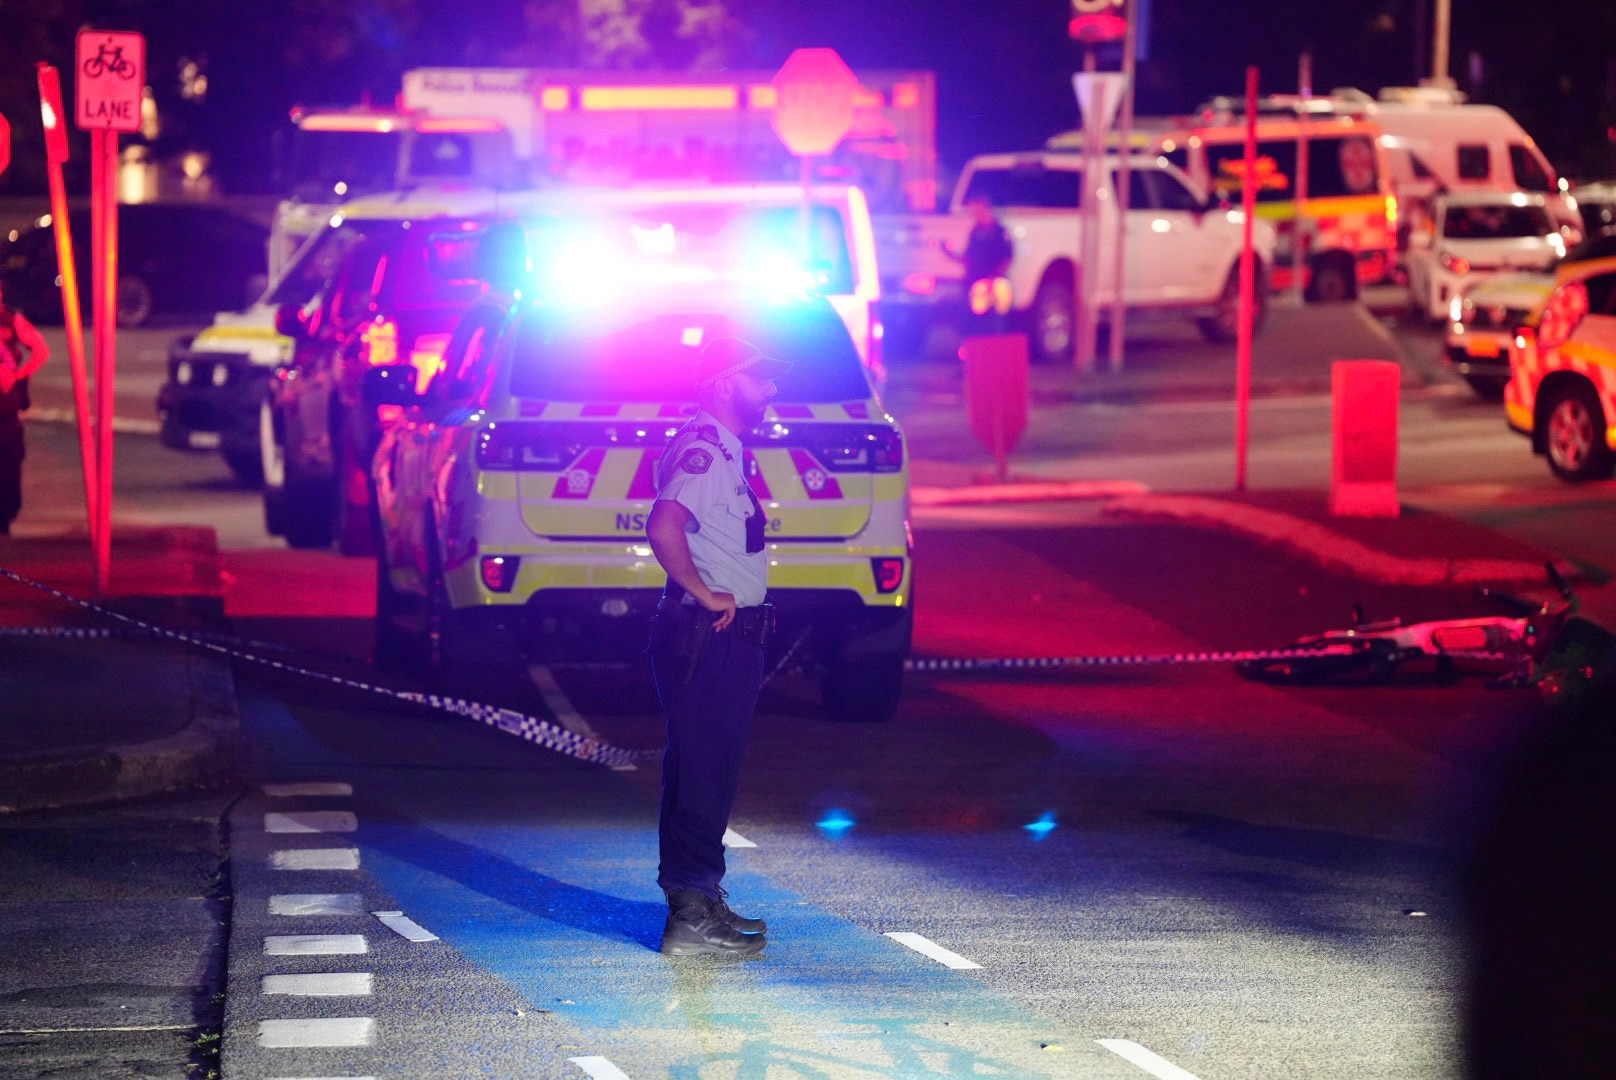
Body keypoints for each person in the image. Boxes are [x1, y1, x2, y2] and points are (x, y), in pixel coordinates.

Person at [644, 335, 789, 957]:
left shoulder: (720, 446)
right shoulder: (704, 451)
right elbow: (663, 524)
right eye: (761, 379)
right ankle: (691, 914)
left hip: (718, 638)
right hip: (712, 637)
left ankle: (700, 898)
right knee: (704, 772)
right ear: (727, 382)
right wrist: (702, 591)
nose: (772, 389)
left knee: (705, 769)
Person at [0, 283, 50, 536]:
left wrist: (21, 375)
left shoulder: (11, 319)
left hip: (7, 406)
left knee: (9, 462)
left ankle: (5, 518)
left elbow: (41, 350)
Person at [943, 194, 1015, 333]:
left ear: (985, 208)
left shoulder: (999, 232)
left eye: (976, 210)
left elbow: (1007, 256)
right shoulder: (975, 231)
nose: (974, 214)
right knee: (972, 321)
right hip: (974, 283)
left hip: (993, 284)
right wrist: (947, 252)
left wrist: (994, 278)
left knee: (996, 322)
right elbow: (968, 257)